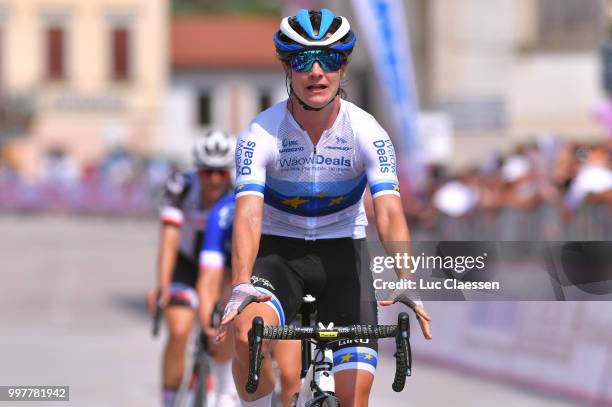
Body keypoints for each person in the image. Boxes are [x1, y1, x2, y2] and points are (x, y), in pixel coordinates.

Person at [216, 9, 432, 406]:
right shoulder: (261, 133)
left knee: (354, 398)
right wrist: (241, 281)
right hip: (278, 255)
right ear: (287, 68)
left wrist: (405, 274)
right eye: (302, 60)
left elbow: (388, 211)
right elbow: (248, 212)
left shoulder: (367, 131)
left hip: (343, 256)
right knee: (248, 335)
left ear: (343, 67)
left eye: (329, 60)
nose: (316, 71)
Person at [147, 129, 237, 407]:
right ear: (196, 170)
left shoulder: (240, 191)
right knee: (178, 330)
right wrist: (162, 287)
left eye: (221, 172)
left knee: (223, 328)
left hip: (224, 266)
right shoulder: (180, 187)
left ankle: (224, 392)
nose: (213, 179)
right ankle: (170, 399)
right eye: (206, 171)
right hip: (186, 265)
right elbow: (169, 239)